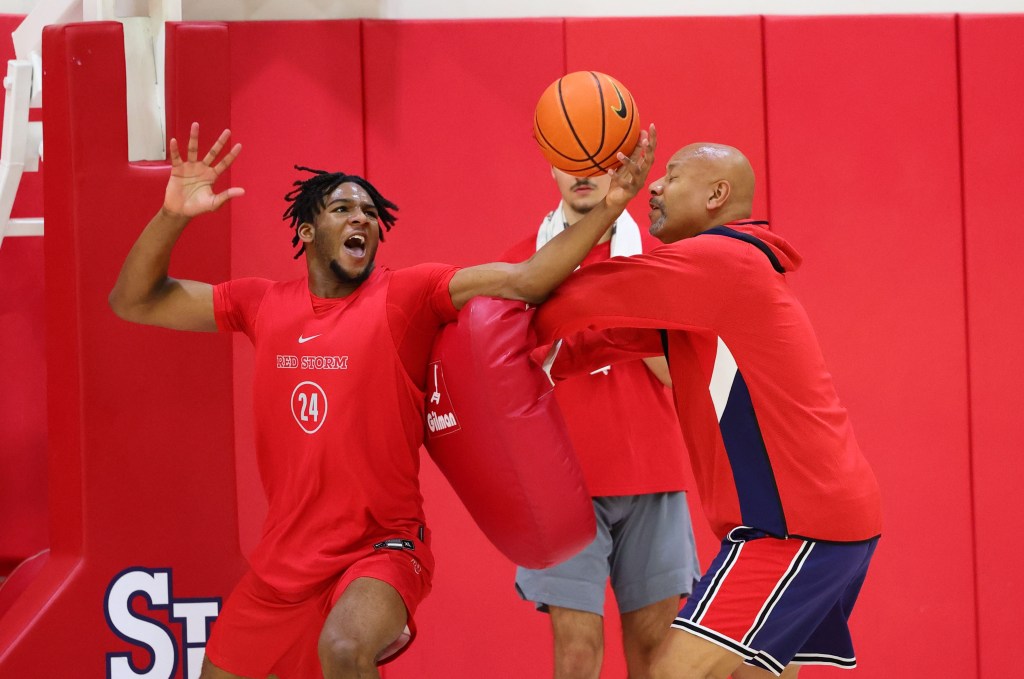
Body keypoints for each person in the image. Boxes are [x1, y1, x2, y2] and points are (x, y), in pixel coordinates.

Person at [107, 122, 656, 679]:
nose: (362, 220)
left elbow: (527, 279)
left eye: (370, 214)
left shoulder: (408, 295)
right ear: (305, 231)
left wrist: (608, 208)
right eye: (343, 209)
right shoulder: (261, 303)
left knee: (345, 648)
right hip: (282, 565)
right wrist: (172, 214)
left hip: (383, 549)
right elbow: (135, 300)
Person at [532, 143, 882, 679]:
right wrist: (513, 370)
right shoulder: (704, 284)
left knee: (672, 670)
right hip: (814, 520)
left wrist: (467, 301)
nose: (653, 187)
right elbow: (595, 344)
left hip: (793, 527)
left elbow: (570, 300)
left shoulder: (718, 259)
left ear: (717, 195)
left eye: (670, 177)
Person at [502, 167, 700, 679]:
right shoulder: (525, 263)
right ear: (550, 165)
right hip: (559, 481)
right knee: (576, 653)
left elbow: (678, 371)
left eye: (598, 162)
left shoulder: (656, 258)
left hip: (650, 471)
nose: (583, 175)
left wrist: (613, 303)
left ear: (620, 169)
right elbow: (511, 375)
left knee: (656, 651)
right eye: (571, 159)